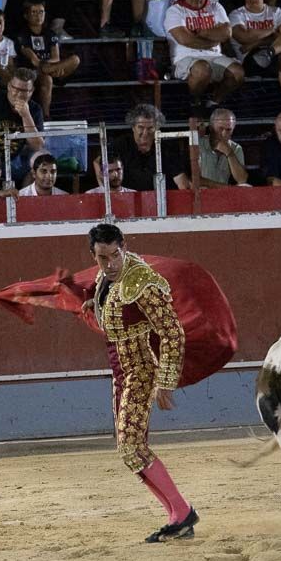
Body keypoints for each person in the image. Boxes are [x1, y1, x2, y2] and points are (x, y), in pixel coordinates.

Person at [81, 223, 198, 543]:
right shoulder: (104, 277)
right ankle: (177, 514)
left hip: (142, 369)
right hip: (121, 369)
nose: (109, 263)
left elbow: (173, 331)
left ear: (124, 247)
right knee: (128, 450)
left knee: (132, 447)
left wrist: (166, 380)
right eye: (102, 258)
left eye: (114, 255)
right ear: (94, 256)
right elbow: (115, 310)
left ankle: (182, 512)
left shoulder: (142, 282)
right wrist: (95, 306)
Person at [163, 0, 244, 110]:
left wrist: (202, 32)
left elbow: (226, 33)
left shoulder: (215, 7)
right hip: (184, 58)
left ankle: (214, 102)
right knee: (202, 69)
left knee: (238, 73)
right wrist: (212, 40)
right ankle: (195, 104)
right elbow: (185, 39)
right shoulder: (175, 11)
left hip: (215, 56)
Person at [14, 0, 80, 118]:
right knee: (47, 78)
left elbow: (56, 58)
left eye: (41, 12)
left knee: (75, 59)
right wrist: (47, 67)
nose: (38, 15)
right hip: (32, 71)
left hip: (51, 69)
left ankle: (51, 72)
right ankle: (46, 116)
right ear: (26, 15)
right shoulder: (22, 34)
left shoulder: (50, 34)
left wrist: (51, 67)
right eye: (34, 12)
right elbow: (34, 60)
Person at [111, 103, 191, 190]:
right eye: (141, 127)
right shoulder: (121, 145)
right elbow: (98, 163)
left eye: (150, 128)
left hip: (160, 200)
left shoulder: (167, 149)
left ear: (157, 129)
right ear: (133, 127)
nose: (145, 133)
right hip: (128, 200)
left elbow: (182, 182)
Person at [198, 107, 248, 187]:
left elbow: (241, 180)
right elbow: (194, 179)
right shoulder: (198, 144)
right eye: (220, 129)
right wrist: (224, 187)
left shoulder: (236, 148)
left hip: (224, 196)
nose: (224, 134)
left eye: (229, 130)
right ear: (211, 127)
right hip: (202, 195)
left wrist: (229, 153)